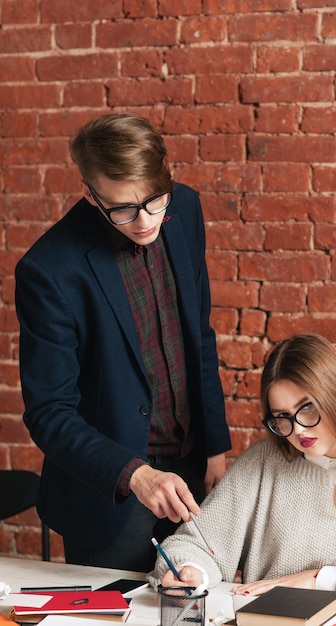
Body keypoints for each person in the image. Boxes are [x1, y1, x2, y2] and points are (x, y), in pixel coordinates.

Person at [15, 113, 231, 571]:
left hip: (193, 465)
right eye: (122, 209)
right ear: (88, 192)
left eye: (154, 202)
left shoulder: (185, 209)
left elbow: (199, 335)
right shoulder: (48, 270)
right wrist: (135, 474)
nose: (144, 221)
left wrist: (215, 445)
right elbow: (49, 413)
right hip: (108, 497)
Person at [148, 333, 336, 608]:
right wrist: (191, 570)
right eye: (282, 417)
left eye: (307, 408)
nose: (298, 429)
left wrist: (320, 579)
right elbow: (194, 544)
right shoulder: (261, 463)